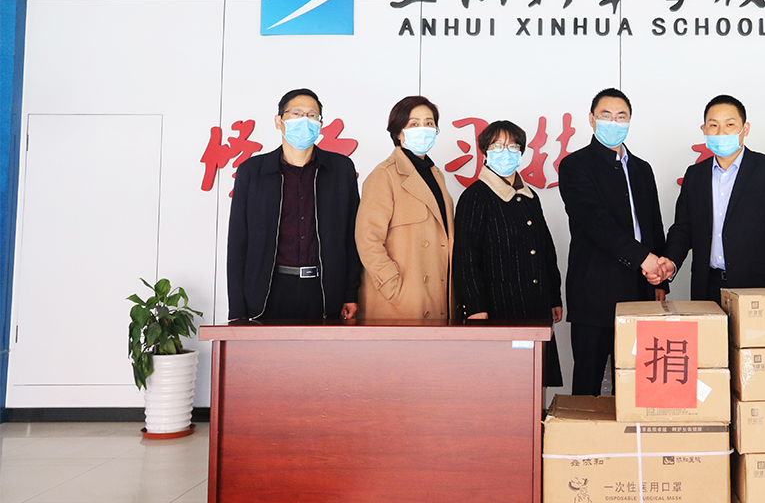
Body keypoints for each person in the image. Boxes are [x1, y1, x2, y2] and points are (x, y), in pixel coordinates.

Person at [558, 88, 669, 396]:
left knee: (637, 384)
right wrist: (645, 259)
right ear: (591, 119)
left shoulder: (642, 169)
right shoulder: (574, 165)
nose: (613, 122)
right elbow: (596, 223)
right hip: (594, 292)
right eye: (606, 116)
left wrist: (660, 280)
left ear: (630, 121)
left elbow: (653, 225)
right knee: (588, 385)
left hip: (641, 290)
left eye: (621, 117)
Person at [227, 88, 362, 320]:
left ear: (320, 124)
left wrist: (351, 293)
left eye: (312, 116)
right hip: (268, 291)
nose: (305, 121)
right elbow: (238, 241)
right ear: (278, 121)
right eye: (297, 114)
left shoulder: (340, 170)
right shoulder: (252, 171)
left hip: (325, 290)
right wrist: (237, 309)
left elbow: (352, 235)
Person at [453, 120, 564, 386]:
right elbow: (466, 258)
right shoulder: (475, 196)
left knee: (534, 381)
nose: (507, 152)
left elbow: (545, 249)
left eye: (513, 146)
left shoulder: (529, 196)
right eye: (498, 146)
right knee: (503, 382)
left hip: (535, 304)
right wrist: (475, 308)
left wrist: (553, 297)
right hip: (498, 308)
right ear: (485, 152)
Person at [658, 94, 765, 303]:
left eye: (730, 124)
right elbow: (683, 228)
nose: (721, 132)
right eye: (713, 125)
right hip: (707, 286)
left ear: (745, 129)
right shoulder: (695, 175)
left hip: (757, 290)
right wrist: (671, 262)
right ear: (704, 130)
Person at [356, 96, 455, 320]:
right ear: (399, 132)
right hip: (401, 298)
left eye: (429, 123)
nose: (423, 129)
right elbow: (367, 239)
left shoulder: (436, 175)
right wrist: (392, 285)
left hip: (436, 293)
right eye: (414, 124)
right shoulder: (385, 174)